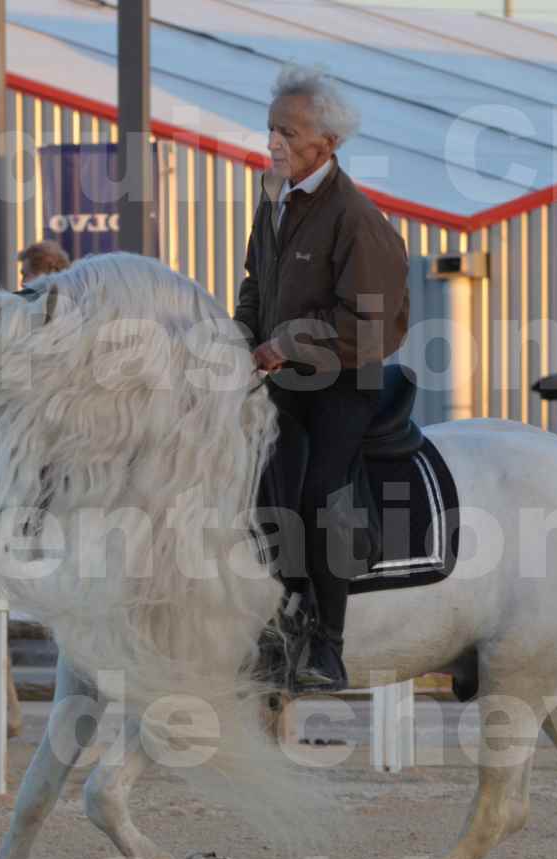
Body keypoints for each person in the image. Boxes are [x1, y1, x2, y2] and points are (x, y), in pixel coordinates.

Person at [234, 64, 411, 692]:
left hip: (344, 381)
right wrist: (242, 335)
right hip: (284, 380)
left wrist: (287, 341)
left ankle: (328, 647)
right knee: (259, 495)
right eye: (271, 128)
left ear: (327, 143)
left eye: (287, 130)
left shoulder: (358, 220)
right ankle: (278, 628)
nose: (274, 141)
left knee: (320, 498)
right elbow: (256, 282)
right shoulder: (273, 197)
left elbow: (370, 327)